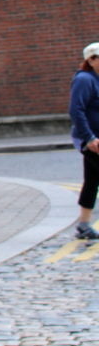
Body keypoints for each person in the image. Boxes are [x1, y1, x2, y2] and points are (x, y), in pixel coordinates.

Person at [70, 41, 99, 240]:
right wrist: (89, 138)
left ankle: (83, 224)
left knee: (92, 180)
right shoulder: (84, 79)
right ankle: (83, 225)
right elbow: (76, 110)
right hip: (92, 140)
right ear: (91, 60)